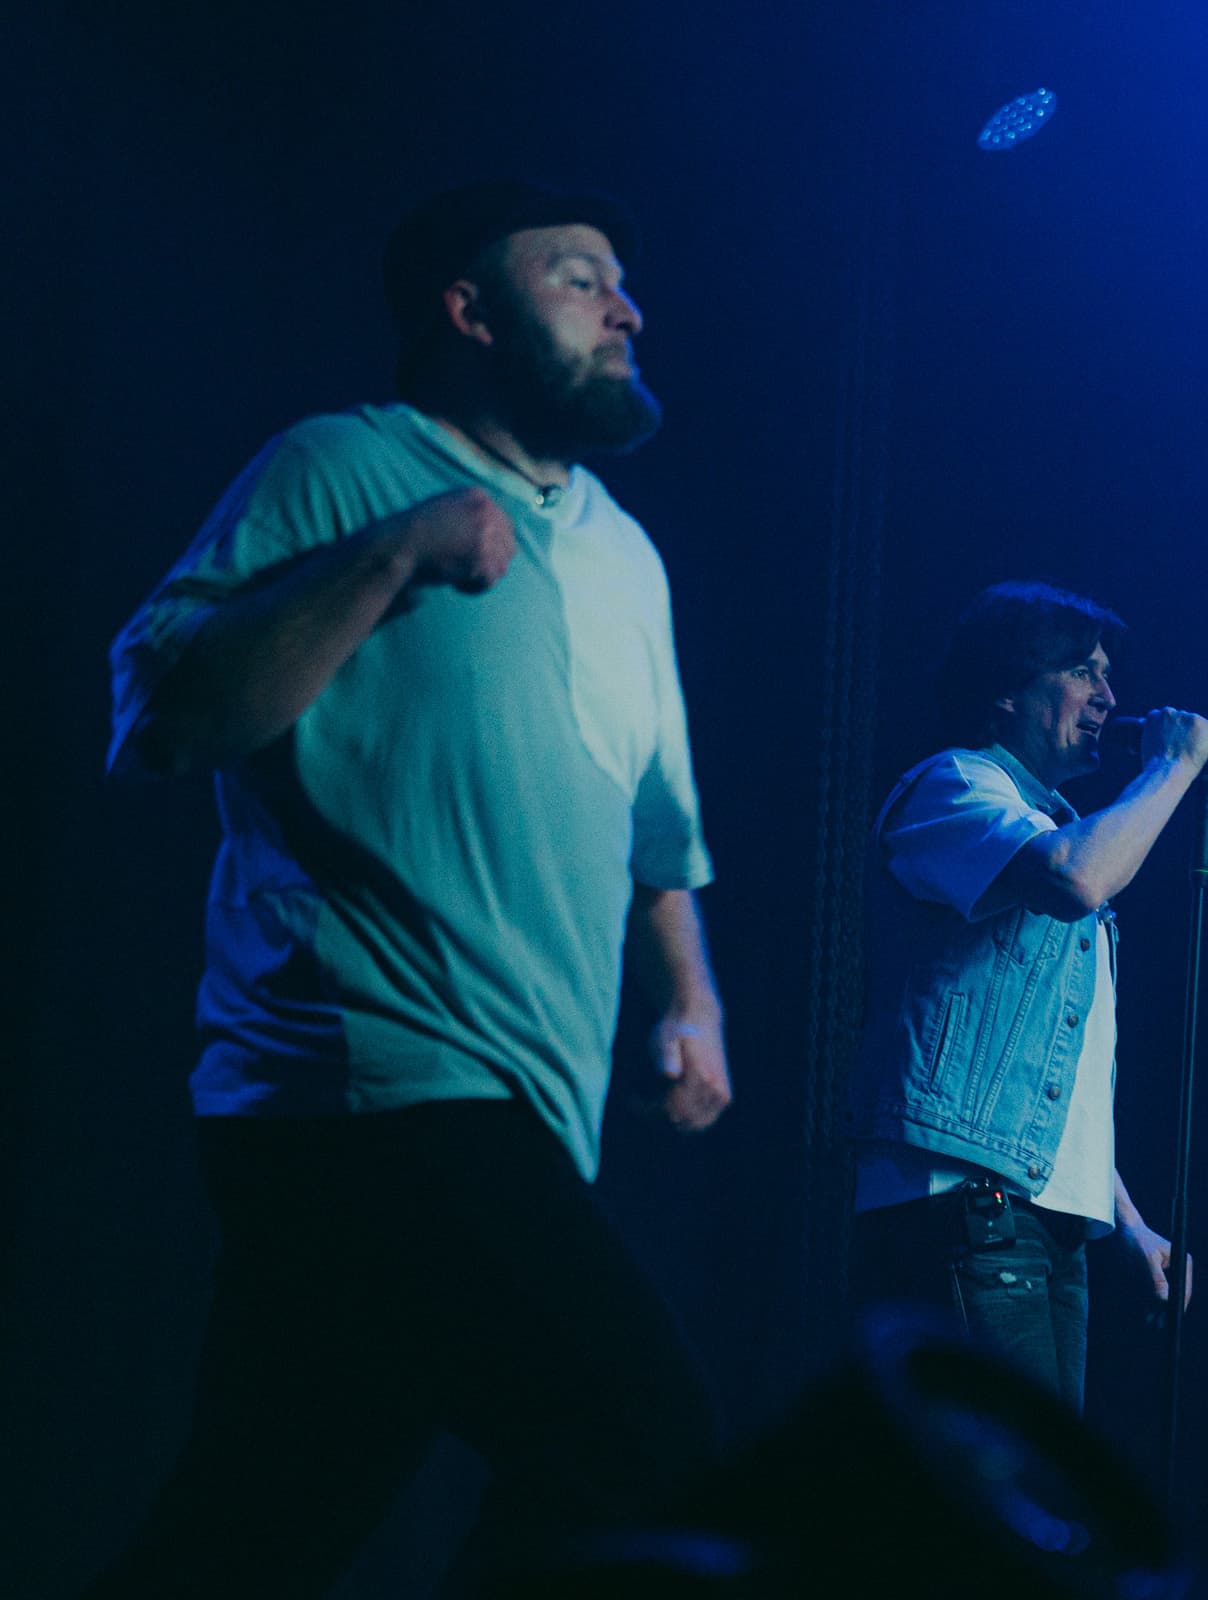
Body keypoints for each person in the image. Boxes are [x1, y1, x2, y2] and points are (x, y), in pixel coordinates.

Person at [93, 181, 728, 1595]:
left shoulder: (627, 555)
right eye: (580, 278)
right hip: (374, 1084)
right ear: (470, 311)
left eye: (623, 282)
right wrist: (396, 550)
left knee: (251, 1534)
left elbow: (656, 827)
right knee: (642, 1450)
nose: (627, 310)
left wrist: (690, 1001)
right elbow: (163, 714)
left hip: (516, 1110)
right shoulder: (342, 465)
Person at [848, 580, 1208, 1409]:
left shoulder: (1056, 824)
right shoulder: (952, 786)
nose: (1108, 697)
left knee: (1034, 1466)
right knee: (999, 1472)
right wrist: (1171, 766)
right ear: (1006, 689)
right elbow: (1075, 879)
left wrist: (1128, 1222)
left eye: (1108, 675)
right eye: (1082, 671)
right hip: (967, 1204)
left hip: (1043, 1219)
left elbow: (1052, 1081)